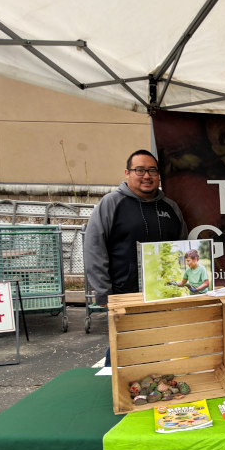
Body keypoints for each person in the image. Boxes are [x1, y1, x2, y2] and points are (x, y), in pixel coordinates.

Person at [84, 150, 187, 364]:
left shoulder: (171, 207)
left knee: (159, 349)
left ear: (158, 176)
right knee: (124, 349)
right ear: (127, 173)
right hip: (125, 295)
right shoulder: (111, 204)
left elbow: (182, 248)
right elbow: (94, 249)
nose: (146, 176)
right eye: (139, 170)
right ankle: (114, 391)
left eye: (152, 171)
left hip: (164, 295)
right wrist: (104, 293)